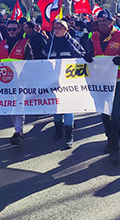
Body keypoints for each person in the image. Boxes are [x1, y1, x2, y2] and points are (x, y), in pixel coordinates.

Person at [83, 9, 120, 164]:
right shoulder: (93, 37)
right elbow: (87, 54)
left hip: (117, 82)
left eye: (105, 21)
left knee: (116, 115)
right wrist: (87, 57)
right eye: (99, 21)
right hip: (100, 83)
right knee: (105, 114)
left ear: (112, 22)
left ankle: (114, 148)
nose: (102, 23)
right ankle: (110, 137)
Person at [46, 19, 85, 148]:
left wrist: (71, 47)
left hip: (69, 82)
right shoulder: (49, 44)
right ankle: (58, 129)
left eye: (60, 27)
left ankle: (69, 134)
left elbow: (82, 57)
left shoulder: (73, 42)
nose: (56, 29)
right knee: (56, 107)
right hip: (53, 81)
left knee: (68, 107)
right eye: (55, 27)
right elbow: (41, 60)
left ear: (66, 30)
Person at [0, 20, 34, 146]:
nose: (11, 32)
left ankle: (18, 131)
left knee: (19, 106)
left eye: (14, 29)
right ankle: (16, 128)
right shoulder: (1, 44)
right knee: (10, 106)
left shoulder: (25, 44)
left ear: (19, 30)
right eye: (9, 29)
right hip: (5, 82)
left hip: (20, 82)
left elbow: (30, 63)